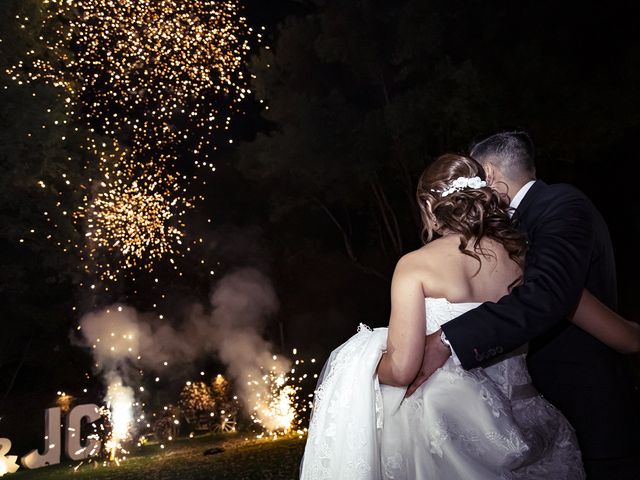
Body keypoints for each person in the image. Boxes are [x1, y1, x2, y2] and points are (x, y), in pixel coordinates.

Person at [301, 153, 640, 479]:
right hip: (532, 423)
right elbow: (626, 338)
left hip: (448, 433)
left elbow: (403, 369)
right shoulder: (527, 261)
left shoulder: (414, 266)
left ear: (428, 209)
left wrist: (362, 361)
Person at [407, 131, 640, 479]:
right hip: (515, 415)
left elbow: (551, 295)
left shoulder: (561, 205)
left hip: (588, 409)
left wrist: (447, 340)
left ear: (487, 174)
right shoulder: (502, 241)